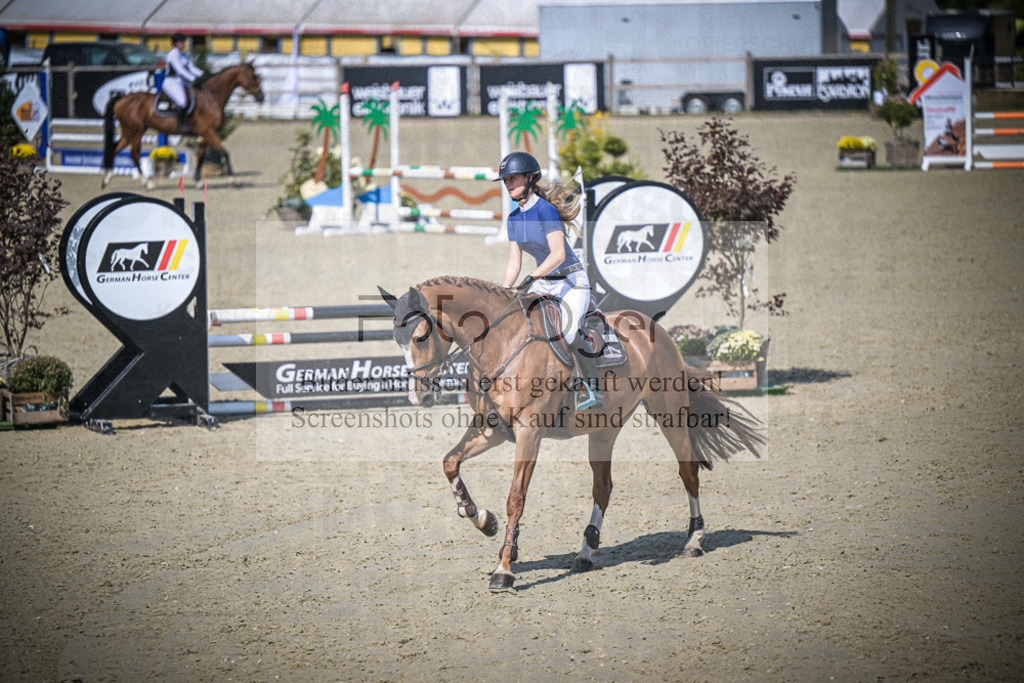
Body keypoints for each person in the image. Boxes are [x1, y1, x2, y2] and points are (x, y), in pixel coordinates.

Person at [497, 151, 604, 410]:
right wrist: (504, 289)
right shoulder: (513, 218)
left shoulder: (545, 210)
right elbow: (514, 261)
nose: (508, 183)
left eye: (513, 178)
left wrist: (532, 276)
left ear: (531, 178)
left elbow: (557, 255)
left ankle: (591, 388)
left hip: (571, 280)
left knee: (567, 330)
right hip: (544, 281)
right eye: (506, 180)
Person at [161, 33, 204, 130]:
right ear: (175, 43)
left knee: (197, 95)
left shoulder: (183, 55)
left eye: (183, 42)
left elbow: (192, 68)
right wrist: (193, 78)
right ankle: (180, 125)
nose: (183, 44)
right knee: (182, 101)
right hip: (171, 82)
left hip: (181, 82)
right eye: (181, 42)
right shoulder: (173, 54)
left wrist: (203, 74)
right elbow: (179, 69)